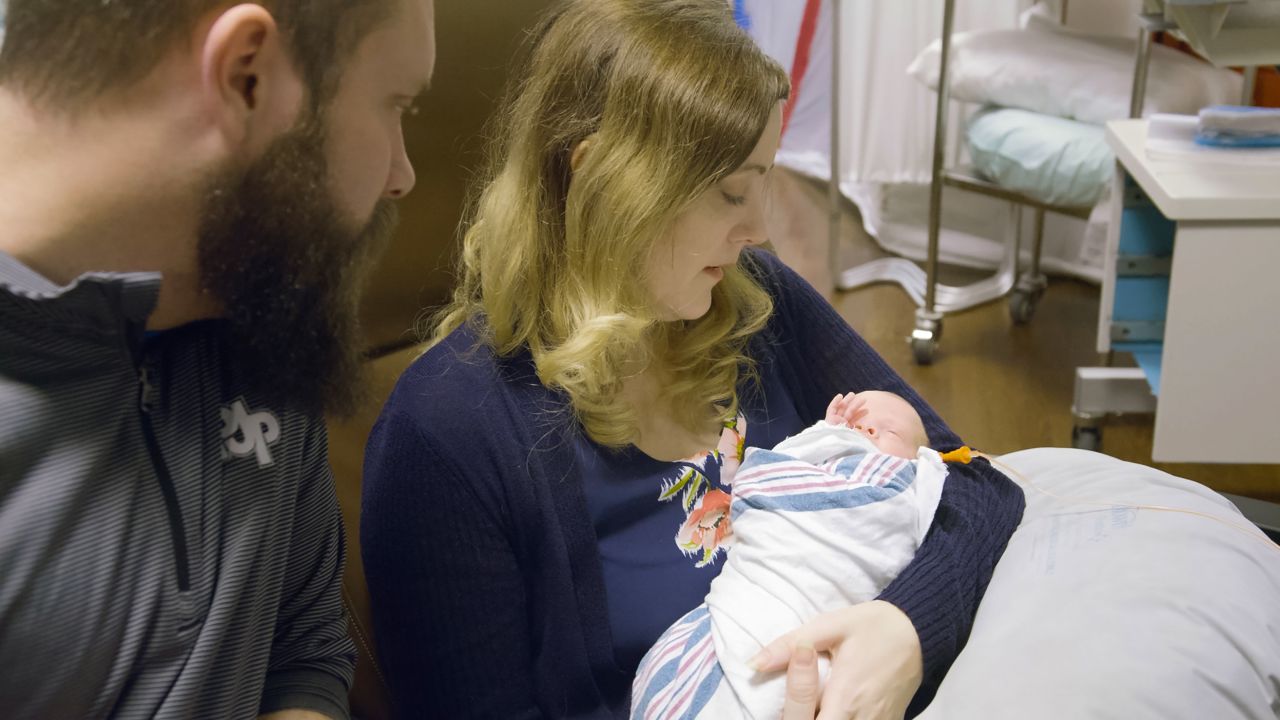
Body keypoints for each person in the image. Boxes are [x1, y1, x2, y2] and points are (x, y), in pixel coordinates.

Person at [360, 1, 1025, 718]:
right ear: (601, 183)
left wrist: (904, 633)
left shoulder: (756, 306)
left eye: (764, 180)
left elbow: (973, 484)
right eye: (730, 191)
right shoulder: (447, 438)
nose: (761, 227)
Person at [0, 1, 434, 718]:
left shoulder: (256, 305)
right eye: (396, 105)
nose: (402, 174)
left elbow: (302, 647)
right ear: (246, 76)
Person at [631, 391, 955, 719]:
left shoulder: (901, 483)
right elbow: (766, 476)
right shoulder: (812, 454)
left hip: (831, 638)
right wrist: (824, 433)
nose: (867, 430)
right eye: (855, 422)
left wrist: (908, 627)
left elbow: (978, 489)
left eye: (892, 432)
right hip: (743, 601)